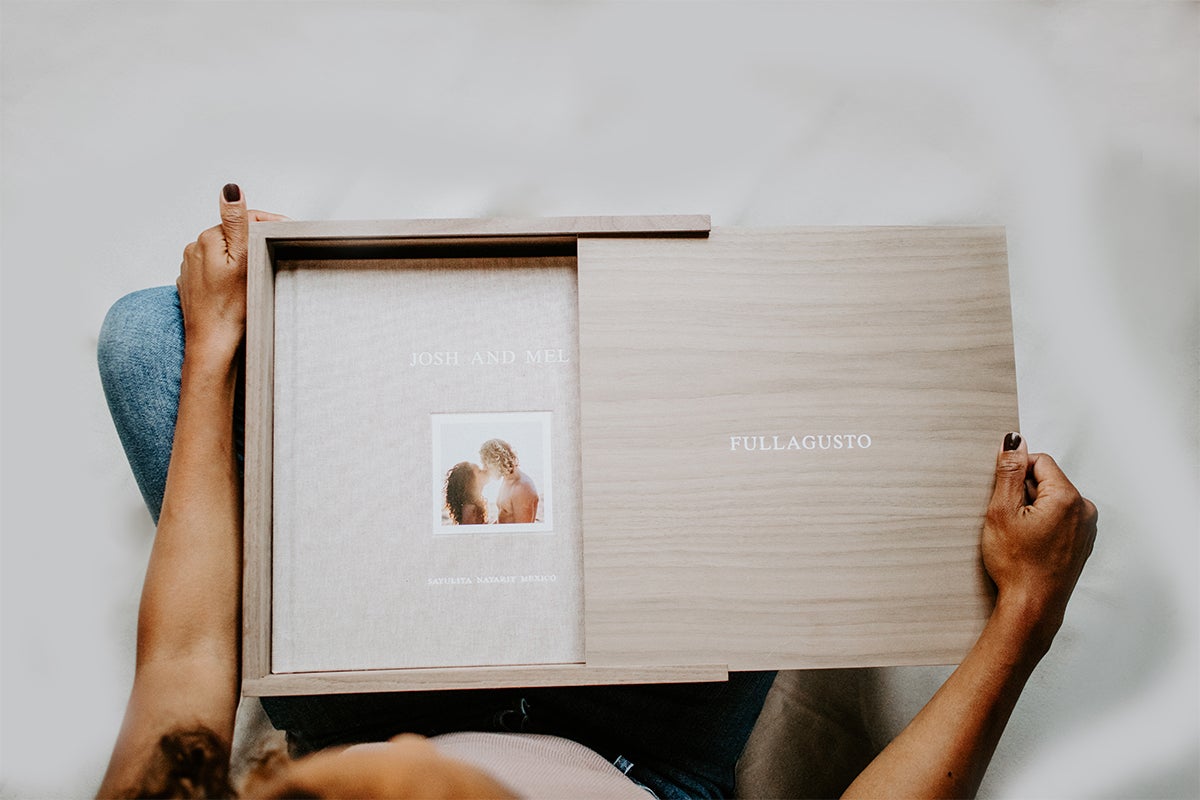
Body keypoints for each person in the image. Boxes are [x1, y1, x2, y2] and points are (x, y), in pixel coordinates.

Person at [95, 185, 1097, 799]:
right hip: (643, 747)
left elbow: (183, 662)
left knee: (151, 333)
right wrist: (1025, 615)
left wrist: (223, 337)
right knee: (752, 333)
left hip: (352, 683)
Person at [479, 439, 539, 524]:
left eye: (486, 463)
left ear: (498, 460)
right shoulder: (507, 480)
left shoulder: (522, 488)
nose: (484, 468)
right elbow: (505, 516)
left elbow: (523, 531)